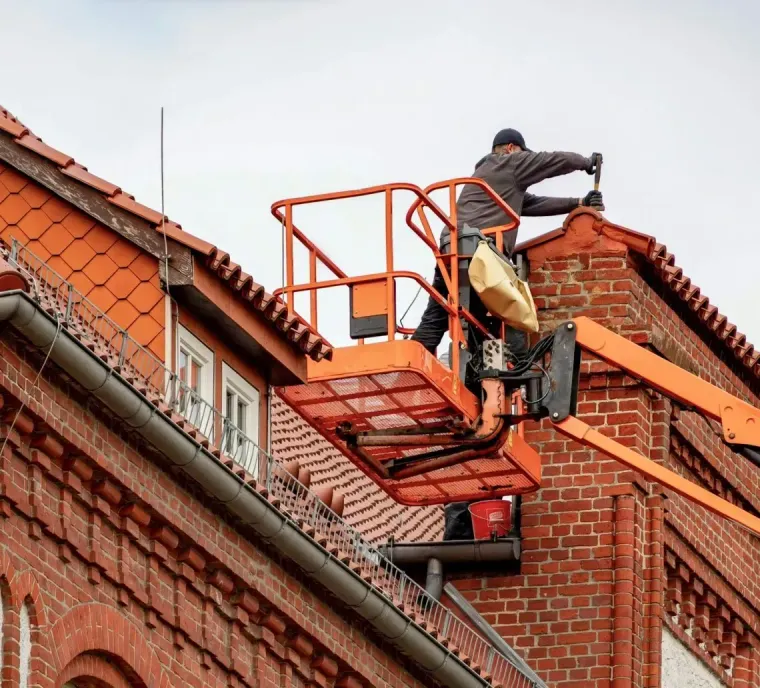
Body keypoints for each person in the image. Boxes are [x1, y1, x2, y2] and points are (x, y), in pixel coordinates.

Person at [410, 128, 604, 358]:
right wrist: (585, 162)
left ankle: (409, 366)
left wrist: (579, 202)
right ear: (511, 148)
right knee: (517, 312)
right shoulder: (509, 163)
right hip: (481, 252)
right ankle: (517, 370)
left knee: (438, 316)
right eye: (522, 154)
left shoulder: (486, 175)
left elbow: (532, 204)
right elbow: (551, 161)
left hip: (451, 250)